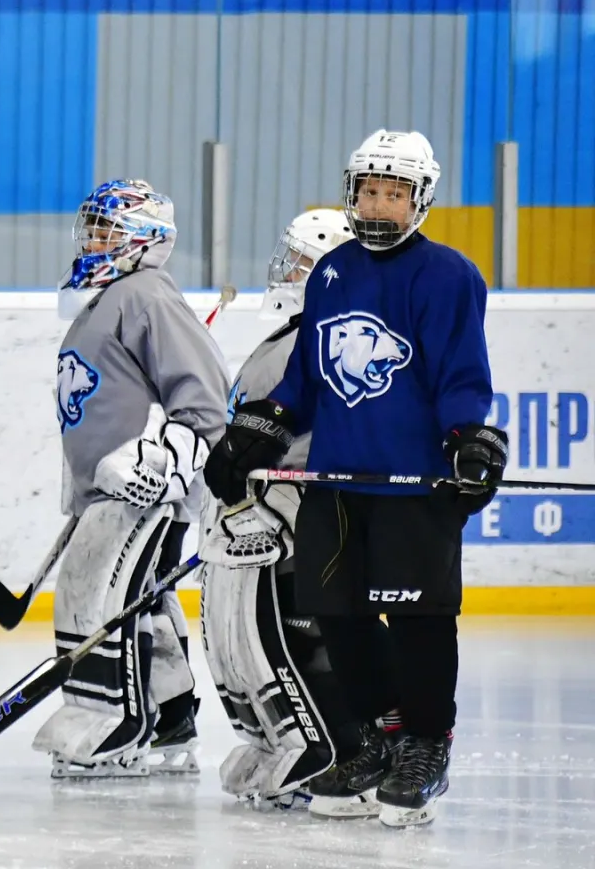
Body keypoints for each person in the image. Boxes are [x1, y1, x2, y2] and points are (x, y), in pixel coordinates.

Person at [204, 130, 504, 828]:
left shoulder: (448, 276)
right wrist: (262, 424)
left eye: (392, 193)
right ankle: (373, 739)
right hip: (335, 485)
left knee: (420, 620)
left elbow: (461, 376)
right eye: (368, 189)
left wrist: (467, 440)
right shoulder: (334, 270)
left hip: (412, 486)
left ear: (419, 200)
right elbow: (306, 379)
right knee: (337, 614)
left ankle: (425, 745)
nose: (377, 203)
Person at [38, 178, 228, 779]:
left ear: (144, 241)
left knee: (106, 604)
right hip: (106, 496)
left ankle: (118, 722)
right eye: (91, 227)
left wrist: (166, 464)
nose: (92, 239)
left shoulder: (146, 294)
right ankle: (169, 715)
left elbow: (203, 399)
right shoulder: (106, 300)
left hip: (141, 495)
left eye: (107, 230)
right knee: (143, 605)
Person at [200, 208, 356, 808]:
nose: (285, 271)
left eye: (300, 261)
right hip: (257, 510)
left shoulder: (320, 339)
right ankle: (275, 736)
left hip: (294, 516)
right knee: (240, 638)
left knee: (294, 636)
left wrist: (280, 498)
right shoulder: (290, 334)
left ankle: (328, 745)